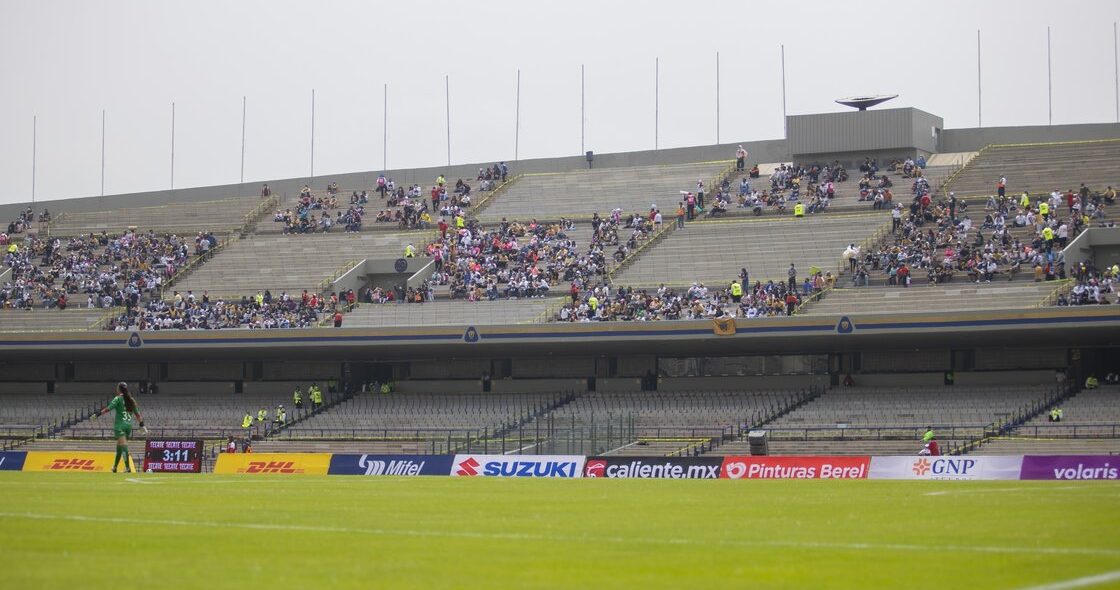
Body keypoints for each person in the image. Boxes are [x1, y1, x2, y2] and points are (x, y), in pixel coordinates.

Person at [90, 382, 145, 473]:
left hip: (119, 426)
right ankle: (114, 467)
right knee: (119, 447)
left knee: (123, 446)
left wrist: (97, 414)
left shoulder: (118, 399)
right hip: (128, 426)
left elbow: (108, 408)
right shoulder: (131, 400)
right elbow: (138, 415)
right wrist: (142, 425)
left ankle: (127, 468)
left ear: (119, 389)